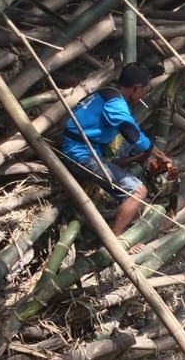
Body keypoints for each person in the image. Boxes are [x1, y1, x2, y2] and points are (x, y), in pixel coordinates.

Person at [59, 62, 174, 236]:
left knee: (136, 147)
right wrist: (160, 154)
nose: (145, 93)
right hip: (79, 154)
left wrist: (146, 153)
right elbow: (131, 132)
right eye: (145, 89)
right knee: (138, 191)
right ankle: (117, 237)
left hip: (86, 145)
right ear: (135, 89)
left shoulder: (107, 92)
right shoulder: (115, 103)